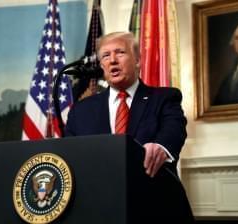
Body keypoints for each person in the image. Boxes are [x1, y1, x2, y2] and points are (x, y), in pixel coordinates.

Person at [65, 32, 194, 222]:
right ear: (101, 65)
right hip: (100, 210)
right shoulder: (81, 110)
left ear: (138, 61)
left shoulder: (164, 98)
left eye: (120, 53)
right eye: (106, 56)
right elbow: (71, 154)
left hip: (156, 207)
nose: (113, 61)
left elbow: (174, 129)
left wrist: (161, 147)